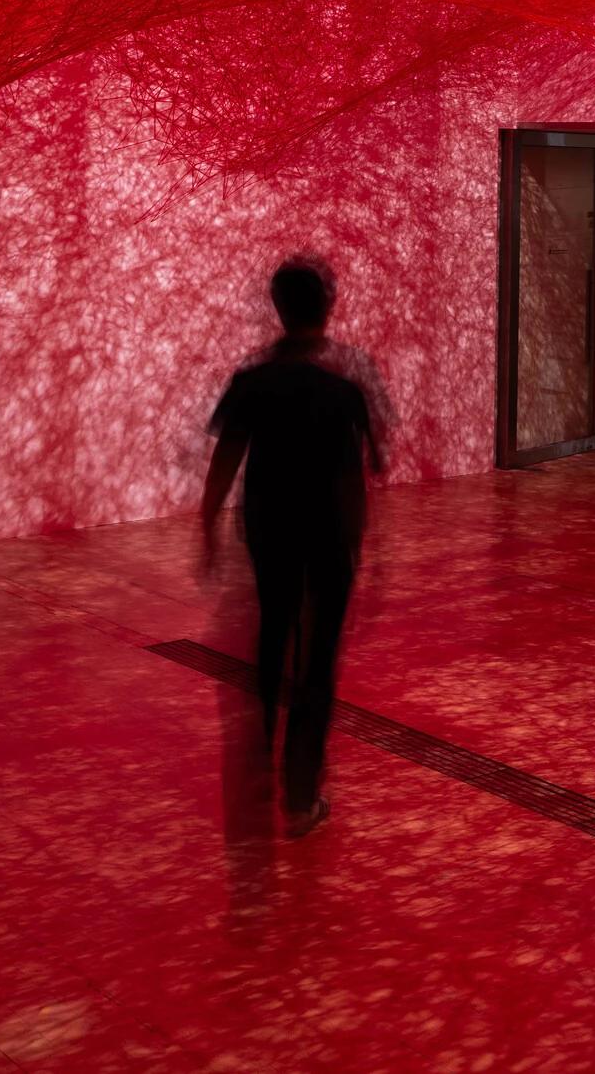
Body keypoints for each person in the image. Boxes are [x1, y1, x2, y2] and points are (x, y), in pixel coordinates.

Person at [202, 257, 387, 837]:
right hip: (330, 534)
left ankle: (258, 759)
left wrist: (206, 526)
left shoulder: (251, 382)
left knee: (273, 635)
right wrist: (366, 550)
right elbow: (360, 473)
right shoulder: (343, 389)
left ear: (277, 306)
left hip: (269, 529)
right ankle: (302, 794)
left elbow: (226, 457)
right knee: (317, 662)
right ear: (327, 307)